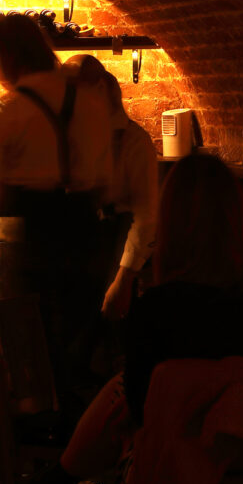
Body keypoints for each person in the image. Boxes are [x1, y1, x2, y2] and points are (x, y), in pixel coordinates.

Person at [23, 153, 243, 484]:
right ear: (240, 211)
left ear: (170, 222)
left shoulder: (159, 309)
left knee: (123, 393)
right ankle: (56, 482)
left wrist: (133, 408)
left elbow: (145, 412)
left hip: (184, 474)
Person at [0, 15, 117, 405]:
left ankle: (41, 429)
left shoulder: (12, 110)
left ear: (8, 57)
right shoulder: (89, 100)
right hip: (87, 233)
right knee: (78, 342)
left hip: (36, 236)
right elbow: (106, 179)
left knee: (34, 342)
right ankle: (77, 431)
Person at [66, 55, 160, 320]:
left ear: (99, 90)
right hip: (80, 264)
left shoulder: (134, 142)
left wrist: (123, 280)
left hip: (115, 261)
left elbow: (146, 218)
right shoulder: (74, 137)